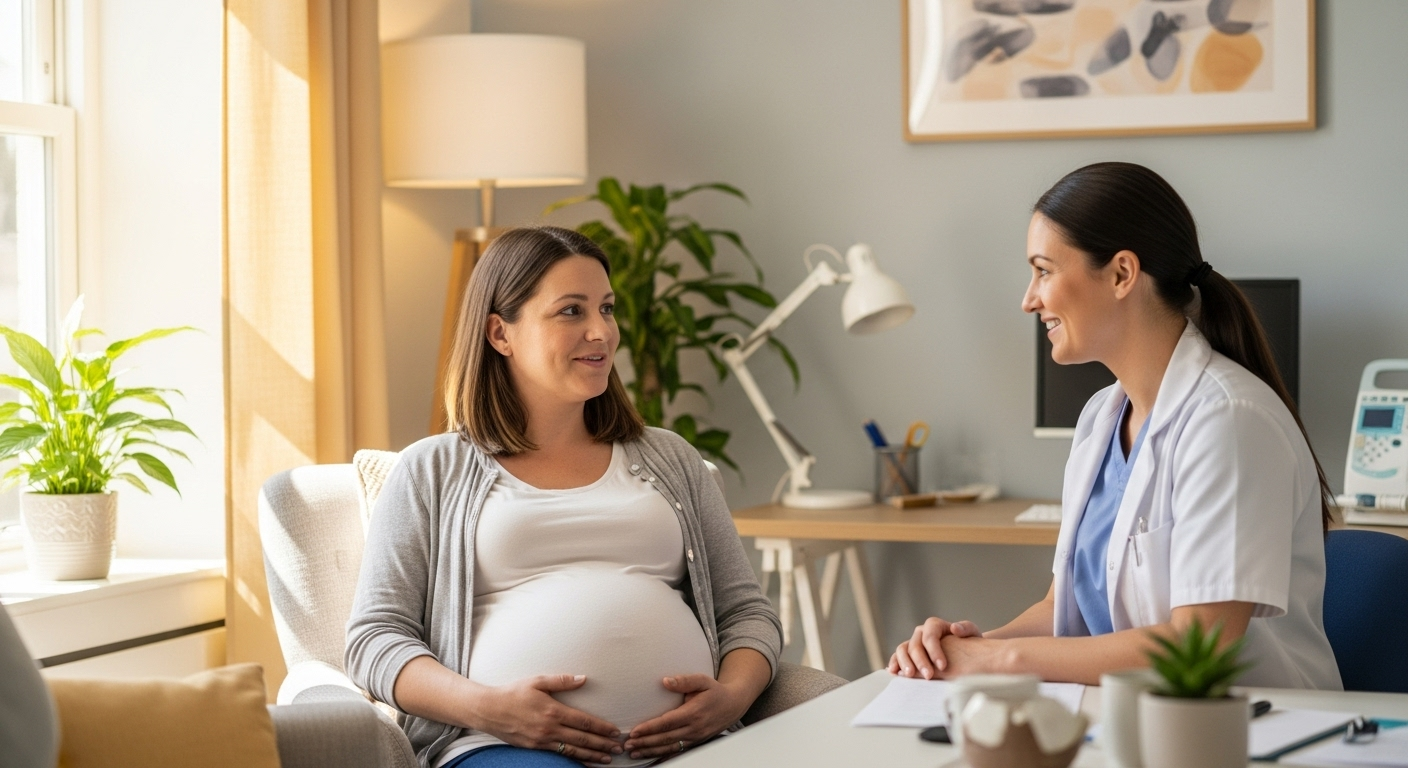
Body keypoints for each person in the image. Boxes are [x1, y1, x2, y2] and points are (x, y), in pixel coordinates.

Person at [890, 162, 1342, 690]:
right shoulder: (1101, 419)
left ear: (1123, 273)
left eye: (1043, 270)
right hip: (1128, 721)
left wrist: (1001, 661)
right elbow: (1064, 610)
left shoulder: (1230, 421)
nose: (1029, 298)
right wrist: (964, 650)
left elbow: (1201, 644)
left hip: (1249, 733)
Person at [346, 226, 783, 768]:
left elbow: (747, 614)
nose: (601, 332)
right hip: (503, 747)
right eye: (571, 311)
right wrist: (490, 709)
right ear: (500, 334)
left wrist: (731, 699)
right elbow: (374, 639)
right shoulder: (433, 469)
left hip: (690, 747)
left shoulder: (671, 459)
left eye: (607, 308)